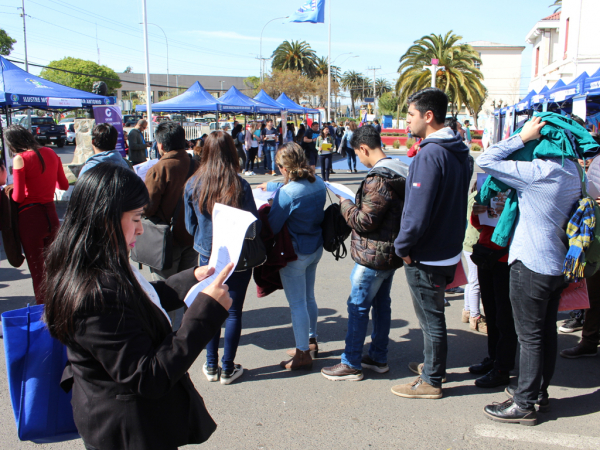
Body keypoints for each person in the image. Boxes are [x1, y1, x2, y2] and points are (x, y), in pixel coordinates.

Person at [43, 163, 233, 450]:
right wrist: (204, 313)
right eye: (135, 218)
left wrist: (190, 280)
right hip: (128, 431)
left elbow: (136, 299)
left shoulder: (93, 262)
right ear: (105, 219)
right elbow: (148, 375)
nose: (141, 229)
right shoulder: (95, 292)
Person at [478, 116, 584, 425]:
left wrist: (522, 138)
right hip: (556, 265)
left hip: (531, 265)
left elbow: (487, 159)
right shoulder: (573, 171)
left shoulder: (539, 172)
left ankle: (523, 403)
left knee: (529, 337)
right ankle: (538, 393)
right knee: (544, 333)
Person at [392, 88, 471, 399]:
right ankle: (431, 366)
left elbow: (416, 213)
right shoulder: (458, 149)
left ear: (428, 116)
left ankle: (431, 380)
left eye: (410, 115)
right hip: (447, 248)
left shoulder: (430, 154)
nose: (406, 121)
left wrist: (403, 248)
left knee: (431, 318)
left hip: (427, 253)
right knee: (433, 315)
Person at [321, 125, 408, 381]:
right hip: (390, 252)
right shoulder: (399, 169)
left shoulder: (377, 178)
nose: (359, 158)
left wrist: (345, 203)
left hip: (372, 255)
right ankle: (378, 356)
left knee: (357, 306)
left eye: (358, 154)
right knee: (381, 304)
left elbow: (364, 221)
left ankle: (351, 363)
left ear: (364, 148)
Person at [184, 131, 260, 385]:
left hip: (208, 254)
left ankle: (210, 363)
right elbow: (253, 225)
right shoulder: (240, 184)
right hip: (237, 255)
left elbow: (189, 224)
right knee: (234, 310)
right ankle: (228, 368)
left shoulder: (193, 183)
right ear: (231, 151)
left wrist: (203, 240)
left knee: (210, 308)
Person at [257, 142, 326, 370]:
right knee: (308, 297)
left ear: (285, 168)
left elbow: (273, 227)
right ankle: (311, 340)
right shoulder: (319, 183)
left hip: (296, 252)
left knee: (297, 303)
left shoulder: (287, 192)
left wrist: (268, 206)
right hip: (315, 246)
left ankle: (302, 354)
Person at [144, 123, 199, 325]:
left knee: (165, 289)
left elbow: (148, 207)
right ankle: (189, 331)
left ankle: (169, 335)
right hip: (192, 236)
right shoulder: (196, 165)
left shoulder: (159, 169)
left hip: (165, 240)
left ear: (160, 145)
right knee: (189, 288)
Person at [7, 125, 69, 304]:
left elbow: (18, 196)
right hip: (51, 214)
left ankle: (45, 314)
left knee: (38, 273)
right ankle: (62, 305)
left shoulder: (20, 158)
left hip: (30, 218)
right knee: (56, 267)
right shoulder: (50, 152)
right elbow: (64, 185)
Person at [468, 192, 517, 389]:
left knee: (504, 316)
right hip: (486, 254)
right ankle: (494, 358)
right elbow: (479, 225)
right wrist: (477, 212)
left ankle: (502, 368)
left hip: (506, 258)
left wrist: (507, 212)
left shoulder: (517, 189)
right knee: (491, 310)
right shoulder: (488, 188)